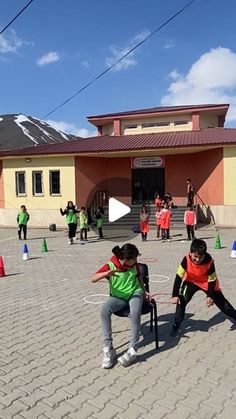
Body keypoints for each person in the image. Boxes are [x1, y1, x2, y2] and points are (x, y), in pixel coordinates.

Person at [91, 243, 149, 368]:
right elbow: (93, 278)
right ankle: (109, 349)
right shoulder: (111, 265)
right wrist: (106, 273)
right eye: (134, 259)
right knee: (104, 310)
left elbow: (139, 278)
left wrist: (144, 292)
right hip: (118, 297)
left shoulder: (134, 265)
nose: (136, 261)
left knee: (134, 313)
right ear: (125, 259)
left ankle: (132, 350)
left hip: (135, 293)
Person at [170, 239, 236, 337]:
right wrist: (175, 295)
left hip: (207, 283)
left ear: (204, 255)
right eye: (195, 256)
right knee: (181, 301)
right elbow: (178, 277)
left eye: (200, 257)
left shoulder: (209, 261)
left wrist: (210, 295)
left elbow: (212, 279)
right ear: (190, 252)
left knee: (223, 304)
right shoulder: (186, 259)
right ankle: (176, 325)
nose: (197, 259)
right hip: (191, 281)